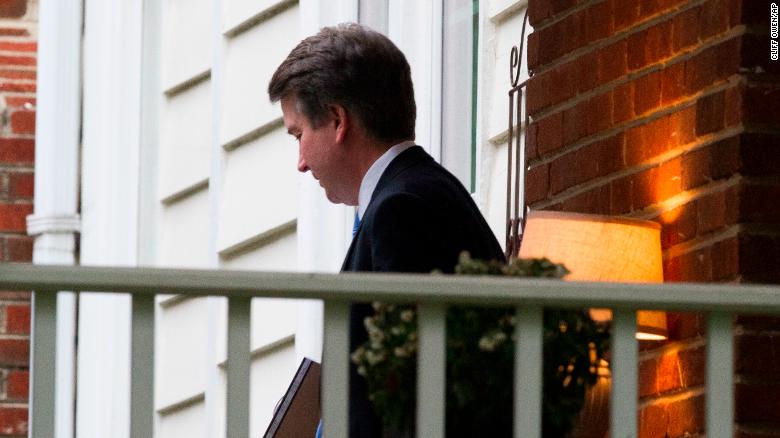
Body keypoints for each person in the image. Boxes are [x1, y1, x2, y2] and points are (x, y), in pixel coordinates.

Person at [268, 23, 505, 438]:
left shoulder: (402, 209)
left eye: (299, 134)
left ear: (338, 120)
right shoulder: (419, 193)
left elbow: (407, 391)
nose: (301, 162)